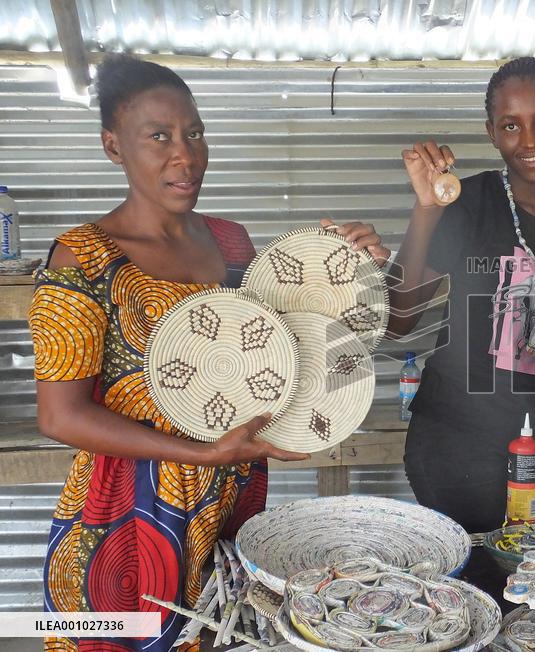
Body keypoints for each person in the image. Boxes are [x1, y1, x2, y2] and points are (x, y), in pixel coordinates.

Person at [28, 54, 389, 652]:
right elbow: (59, 415)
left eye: (194, 133)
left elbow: (287, 346)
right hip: (127, 513)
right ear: (113, 146)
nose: (185, 155)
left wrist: (348, 265)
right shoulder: (82, 258)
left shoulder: (231, 240)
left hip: (231, 498)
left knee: (226, 637)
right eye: (160, 137)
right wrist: (201, 451)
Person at [389, 56, 535, 597]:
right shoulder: (462, 203)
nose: (529, 138)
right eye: (510, 125)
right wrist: (426, 208)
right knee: (492, 592)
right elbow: (400, 319)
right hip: (454, 444)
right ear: (492, 133)